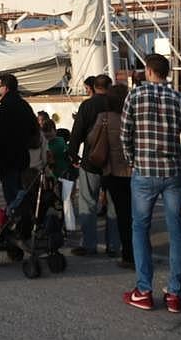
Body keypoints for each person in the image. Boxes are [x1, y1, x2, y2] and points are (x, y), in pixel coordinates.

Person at [120, 53, 181, 314]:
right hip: (173, 171)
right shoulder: (179, 99)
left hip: (144, 170)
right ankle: (174, 293)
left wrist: (133, 160)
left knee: (140, 228)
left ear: (149, 71)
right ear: (167, 73)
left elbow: (125, 133)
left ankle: (144, 290)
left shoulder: (135, 95)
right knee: (177, 231)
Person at [68, 74, 114, 257]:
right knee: (113, 204)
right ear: (109, 87)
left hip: (91, 159)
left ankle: (89, 244)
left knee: (88, 202)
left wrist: (72, 153)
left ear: (94, 87)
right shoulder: (116, 105)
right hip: (113, 162)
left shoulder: (87, 106)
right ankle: (114, 244)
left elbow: (77, 132)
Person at [99, 82, 134, 271]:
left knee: (122, 214)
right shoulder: (134, 117)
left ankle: (127, 253)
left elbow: (91, 139)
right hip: (133, 171)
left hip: (112, 171)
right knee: (137, 214)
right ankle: (138, 250)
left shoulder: (104, 118)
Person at [0, 72, 39, 206]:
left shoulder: (5, 107)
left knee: (11, 195)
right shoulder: (24, 105)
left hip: (7, 159)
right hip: (22, 156)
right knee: (21, 191)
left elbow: (0, 134)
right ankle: (24, 219)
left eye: (0, 86)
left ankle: (15, 222)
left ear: (6, 87)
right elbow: (34, 128)